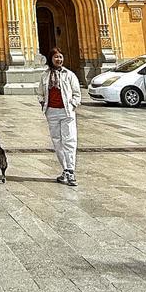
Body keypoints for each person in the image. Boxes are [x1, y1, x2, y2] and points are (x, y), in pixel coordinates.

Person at [38, 48, 82, 187]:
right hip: (52, 112)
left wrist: (73, 104)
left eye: (60, 57)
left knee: (69, 140)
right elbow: (40, 93)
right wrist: (43, 103)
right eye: (56, 57)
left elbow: (77, 93)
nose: (59, 59)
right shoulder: (45, 76)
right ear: (51, 59)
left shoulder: (69, 75)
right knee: (57, 142)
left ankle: (71, 170)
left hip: (67, 112)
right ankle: (65, 169)